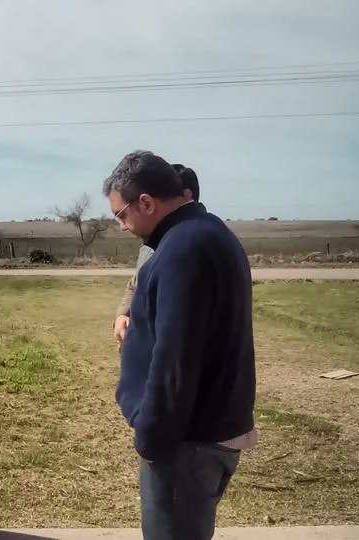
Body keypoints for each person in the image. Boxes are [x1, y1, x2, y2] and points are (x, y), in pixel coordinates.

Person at [102, 151, 257, 540]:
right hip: (204, 431)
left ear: (146, 203)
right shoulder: (205, 233)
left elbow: (175, 358)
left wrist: (152, 439)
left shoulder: (182, 251)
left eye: (121, 215)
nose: (122, 226)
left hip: (186, 442)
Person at [112, 164, 201, 347]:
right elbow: (135, 284)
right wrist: (122, 315)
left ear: (186, 196)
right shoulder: (149, 244)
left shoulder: (196, 248)